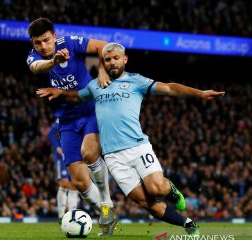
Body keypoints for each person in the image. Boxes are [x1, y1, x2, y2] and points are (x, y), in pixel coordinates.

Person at [36, 42, 226, 236]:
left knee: (156, 188)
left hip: (138, 148)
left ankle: (171, 190)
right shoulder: (95, 85)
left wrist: (200, 93)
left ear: (125, 59)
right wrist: (60, 92)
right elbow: (77, 96)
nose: (112, 63)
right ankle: (188, 223)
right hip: (113, 158)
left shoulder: (136, 81)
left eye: (116, 58)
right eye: (107, 59)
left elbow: (169, 88)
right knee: (146, 203)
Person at [26, 18, 117, 236]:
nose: (43, 46)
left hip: (91, 111)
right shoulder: (34, 57)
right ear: (33, 43)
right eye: (38, 43)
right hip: (65, 120)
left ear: (54, 37)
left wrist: (102, 71)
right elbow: (37, 67)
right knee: (78, 182)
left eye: (46, 40)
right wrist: (54, 61)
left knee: (88, 152)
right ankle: (107, 213)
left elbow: (104, 46)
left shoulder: (71, 42)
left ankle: (106, 202)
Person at [48, 119, 80, 224]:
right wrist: (57, 147)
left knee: (74, 185)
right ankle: (61, 215)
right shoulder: (64, 115)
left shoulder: (81, 116)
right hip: (61, 156)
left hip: (75, 153)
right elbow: (51, 133)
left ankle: (72, 214)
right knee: (64, 183)